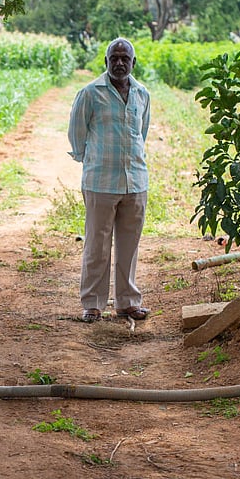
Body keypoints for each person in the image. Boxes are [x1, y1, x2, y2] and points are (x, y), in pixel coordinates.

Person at [67, 37, 150, 323]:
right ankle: (92, 303)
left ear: (133, 62)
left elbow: (142, 133)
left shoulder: (142, 94)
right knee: (97, 245)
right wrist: (89, 160)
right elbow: (76, 135)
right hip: (100, 181)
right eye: (113, 58)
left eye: (124, 58)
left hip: (135, 182)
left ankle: (127, 302)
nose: (119, 63)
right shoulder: (90, 93)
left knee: (129, 245)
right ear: (106, 61)